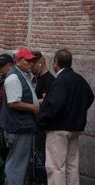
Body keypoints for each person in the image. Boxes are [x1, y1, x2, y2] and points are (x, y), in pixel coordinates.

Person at [37, 49, 94, 185]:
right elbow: (90, 96)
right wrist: (77, 112)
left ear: (56, 62)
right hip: (75, 128)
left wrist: (42, 120)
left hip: (58, 129)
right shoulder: (79, 79)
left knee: (56, 166)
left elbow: (55, 104)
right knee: (72, 165)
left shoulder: (61, 80)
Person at [0, 48, 39, 185]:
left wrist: (38, 102)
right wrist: (33, 108)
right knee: (16, 164)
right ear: (18, 61)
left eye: (32, 61)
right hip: (17, 127)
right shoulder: (14, 77)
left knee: (18, 163)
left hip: (22, 126)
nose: (31, 64)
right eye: (27, 61)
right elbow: (13, 103)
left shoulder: (23, 75)